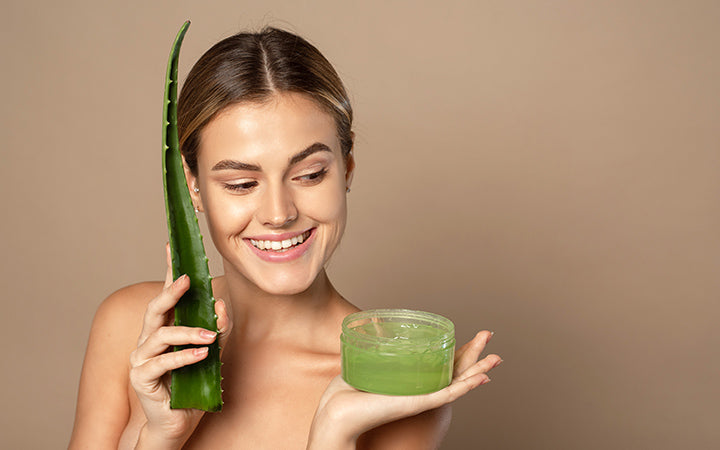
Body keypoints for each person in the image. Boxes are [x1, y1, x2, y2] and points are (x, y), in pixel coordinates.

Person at [69, 26, 502, 449]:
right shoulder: (129, 327)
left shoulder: (389, 379)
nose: (279, 214)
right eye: (240, 183)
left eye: (310, 175)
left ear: (347, 169)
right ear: (193, 187)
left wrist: (333, 431)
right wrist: (159, 435)